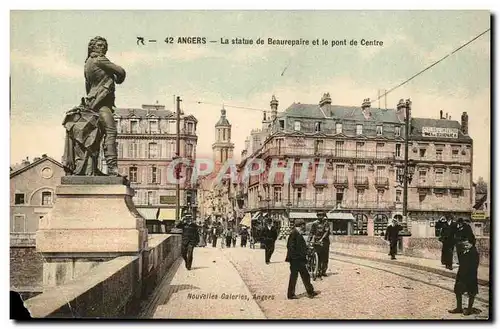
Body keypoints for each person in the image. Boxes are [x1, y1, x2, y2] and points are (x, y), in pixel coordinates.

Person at [62, 36, 126, 176]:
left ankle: (91, 168)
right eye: (99, 45)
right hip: (101, 104)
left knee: (95, 137)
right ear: (92, 47)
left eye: (104, 45)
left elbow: (88, 86)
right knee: (111, 132)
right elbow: (121, 72)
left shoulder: (87, 63)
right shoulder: (99, 59)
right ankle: (112, 168)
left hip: (92, 103)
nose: (102, 47)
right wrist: (115, 78)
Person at [448, 218, 480, 316]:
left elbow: (475, 265)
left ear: (470, 243)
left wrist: (469, 272)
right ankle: (459, 308)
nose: (464, 244)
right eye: (462, 242)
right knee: (458, 289)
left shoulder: (474, 252)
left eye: (465, 242)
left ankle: (469, 309)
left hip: (470, 274)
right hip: (462, 272)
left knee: (471, 291)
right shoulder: (461, 250)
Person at [285, 220, 319, 299]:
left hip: (298, 260)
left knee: (305, 276)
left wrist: (306, 249)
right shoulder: (294, 233)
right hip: (296, 260)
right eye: (303, 226)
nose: (304, 228)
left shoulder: (297, 233)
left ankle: (310, 292)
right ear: (301, 226)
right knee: (295, 277)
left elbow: (301, 246)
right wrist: (297, 256)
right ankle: (291, 294)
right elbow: (290, 247)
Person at [308, 212, 331, 277]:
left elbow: (326, 232)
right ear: (317, 216)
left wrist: (322, 239)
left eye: (322, 215)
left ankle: (323, 271)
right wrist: (309, 240)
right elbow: (311, 232)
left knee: (325, 257)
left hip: (325, 242)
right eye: (319, 215)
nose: (320, 217)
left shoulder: (326, 223)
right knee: (318, 256)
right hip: (317, 242)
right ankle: (317, 270)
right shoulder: (314, 223)